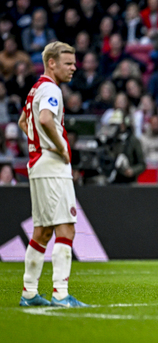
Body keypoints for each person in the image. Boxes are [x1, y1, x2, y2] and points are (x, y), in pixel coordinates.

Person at [17, 41, 88, 307]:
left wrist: (37, 144)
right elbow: (45, 119)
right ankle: (60, 293)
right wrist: (60, 148)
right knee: (66, 228)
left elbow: (24, 122)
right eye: (68, 63)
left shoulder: (35, 89)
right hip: (52, 166)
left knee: (42, 232)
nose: (74, 67)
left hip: (37, 164)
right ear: (52, 63)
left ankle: (29, 292)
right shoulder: (50, 89)